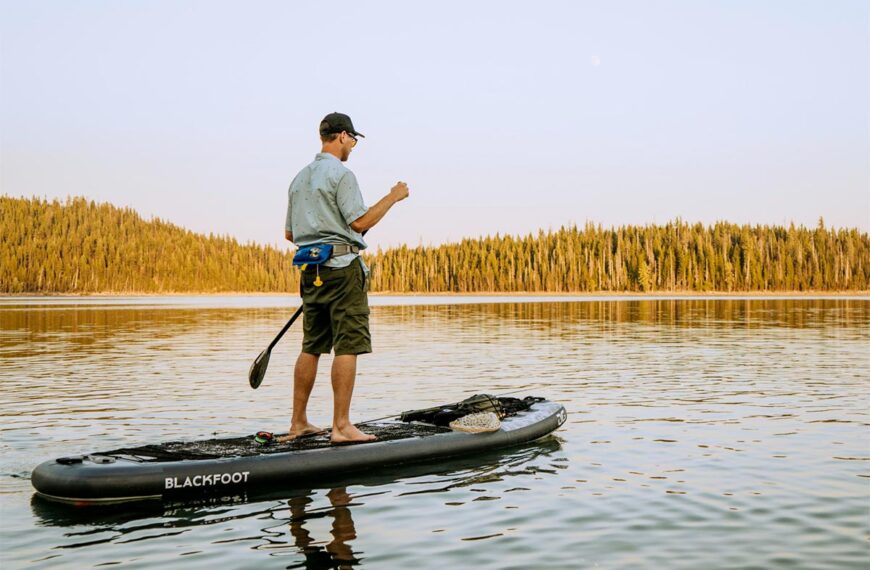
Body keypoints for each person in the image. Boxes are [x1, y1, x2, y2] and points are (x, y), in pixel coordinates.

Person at [282, 112, 409, 443]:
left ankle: (298, 423)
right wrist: (393, 197)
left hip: (311, 272)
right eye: (352, 139)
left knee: (311, 346)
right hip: (342, 271)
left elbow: (290, 233)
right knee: (347, 345)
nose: (352, 145)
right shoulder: (342, 174)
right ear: (340, 136)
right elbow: (359, 222)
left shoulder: (299, 179)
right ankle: (341, 427)